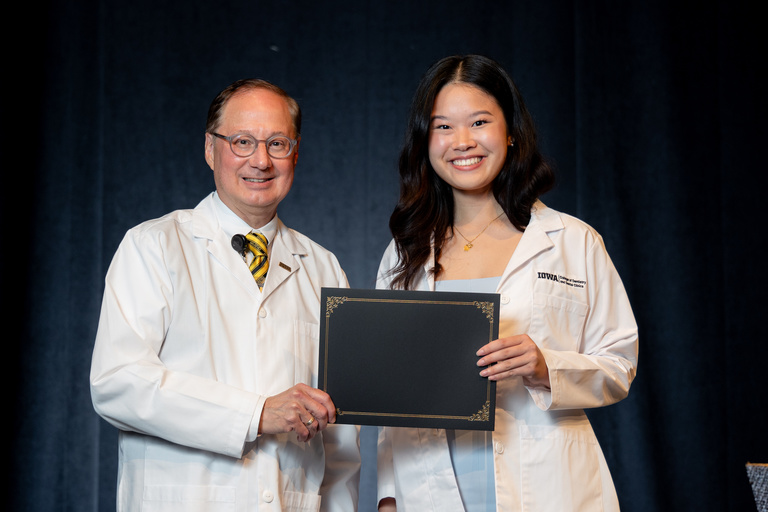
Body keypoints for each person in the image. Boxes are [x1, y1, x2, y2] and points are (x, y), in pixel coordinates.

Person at [375, 55, 638, 511]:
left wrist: (544, 367)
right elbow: (389, 394)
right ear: (425, 141)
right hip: (431, 489)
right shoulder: (405, 253)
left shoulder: (571, 241)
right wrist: (389, 497)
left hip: (549, 487)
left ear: (510, 131)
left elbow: (618, 365)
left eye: (479, 122)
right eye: (443, 127)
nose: (463, 142)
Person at [90, 79, 360, 512]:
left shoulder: (325, 269)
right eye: (242, 141)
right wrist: (255, 414)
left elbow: (341, 441)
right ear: (210, 149)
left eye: (277, 143)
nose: (261, 160)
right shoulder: (154, 246)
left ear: (296, 152)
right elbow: (117, 384)